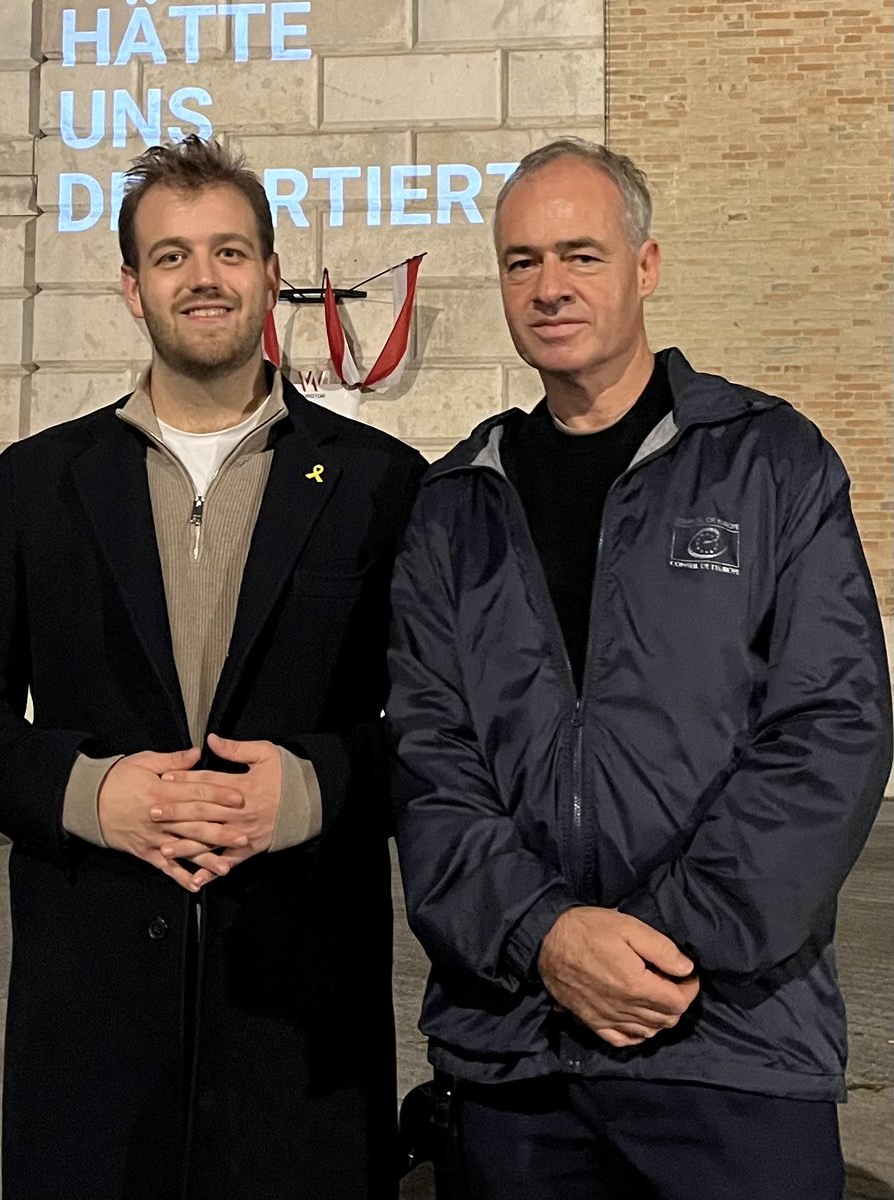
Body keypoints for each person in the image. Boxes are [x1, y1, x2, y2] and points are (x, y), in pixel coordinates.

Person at [0, 135, 426, 1200]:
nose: (204, 277)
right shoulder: (39, 482)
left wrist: (317, 787)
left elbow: (441, 723)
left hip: (301, 1017)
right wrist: (92, 794)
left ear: (274, 275)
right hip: (90, 1022)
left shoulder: (381, 482)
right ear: (131, 287)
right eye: (172, 256)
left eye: (230, 251)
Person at [386, 136, 892, 1200]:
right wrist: (545, 937)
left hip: (730, 1047)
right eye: (522, 262)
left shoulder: (771, 461)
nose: (550, 287)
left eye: (580, 254)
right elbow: (430, 764)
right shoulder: (454, 506)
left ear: (646, 267)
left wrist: (657, 945)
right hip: (514, 1059)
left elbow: (830, 731)